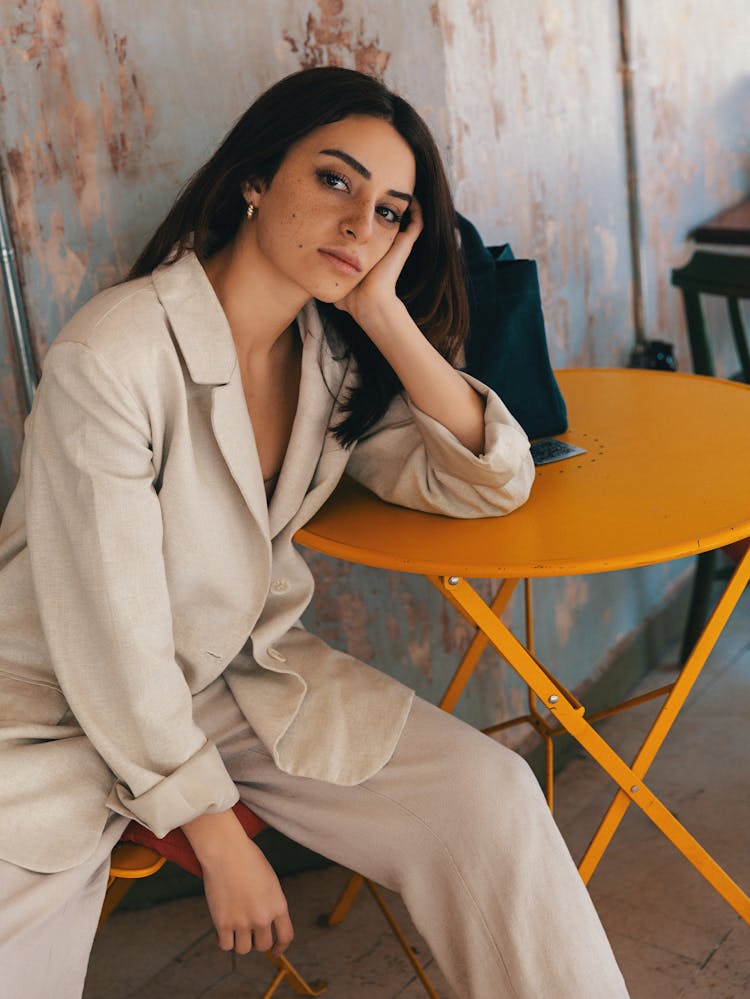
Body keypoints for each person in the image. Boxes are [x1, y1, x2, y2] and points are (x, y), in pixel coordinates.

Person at [0, 67, 629, 998]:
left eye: (389, 210)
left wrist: (380, 311)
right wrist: (211, 825)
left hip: (232, 680)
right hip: (55, 701)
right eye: (335, 180)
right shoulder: (115, 354)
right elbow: (109, 632)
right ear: (254, 179)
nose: (357, 224)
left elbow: (489, 479)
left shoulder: (328, 361)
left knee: (490, 799)